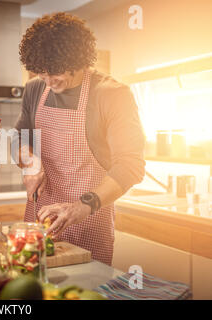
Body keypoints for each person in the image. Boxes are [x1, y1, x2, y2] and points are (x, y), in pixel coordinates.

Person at [14, 12, 146, 265]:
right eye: (42, 74)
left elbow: (131, 165)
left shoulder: (111, 94)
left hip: (89, 219)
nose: (49, 83)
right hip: (39, 216)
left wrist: (80, 207)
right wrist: (30, 160)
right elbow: (19, 136)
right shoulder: (34, 88)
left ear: (79, 60)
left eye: (56, 74)